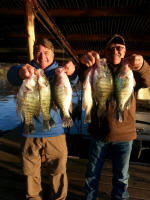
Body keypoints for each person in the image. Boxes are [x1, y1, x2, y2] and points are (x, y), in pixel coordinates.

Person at [80, 34, 150, 200]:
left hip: (125, 135)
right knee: (91, 174)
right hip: (99, 132)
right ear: (105, 51)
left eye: (119, 47)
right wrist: (82, 63)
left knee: (121, 177)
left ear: (125, 51)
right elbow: (82, 75)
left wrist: (141, 66)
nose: (115, 51)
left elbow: (147, 80)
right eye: (111, 48)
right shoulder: (98, 68)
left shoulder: (131, 70)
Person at [7, 38, 78, 200]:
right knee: (31, 173)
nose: (42, 56)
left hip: (56, 132)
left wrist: (72, 72)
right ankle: (33, 197)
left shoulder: (59, 72)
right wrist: (20, 72)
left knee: (58, 171)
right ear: (33, 54)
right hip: (29, 132)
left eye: (46, 52)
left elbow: (73, 80)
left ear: (53, 54)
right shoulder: (27, 70)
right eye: (38, 52)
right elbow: (12, 75)